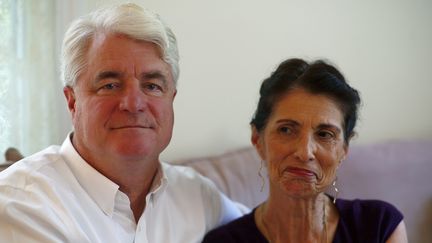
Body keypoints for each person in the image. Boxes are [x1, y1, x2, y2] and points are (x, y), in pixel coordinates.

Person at [0, 3, 247, 243]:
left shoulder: (198, 196)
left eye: (152, 86)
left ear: (171, 99)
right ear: (72, 101)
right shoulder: (20, 204)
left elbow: (266, 228)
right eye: (110, 85)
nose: (133, 103)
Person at [203, 58, 408, 243]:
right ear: (258, 140)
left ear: (344, 150)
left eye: (325, 134)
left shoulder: (380, 226)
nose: (305, 152)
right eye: (286, 130)